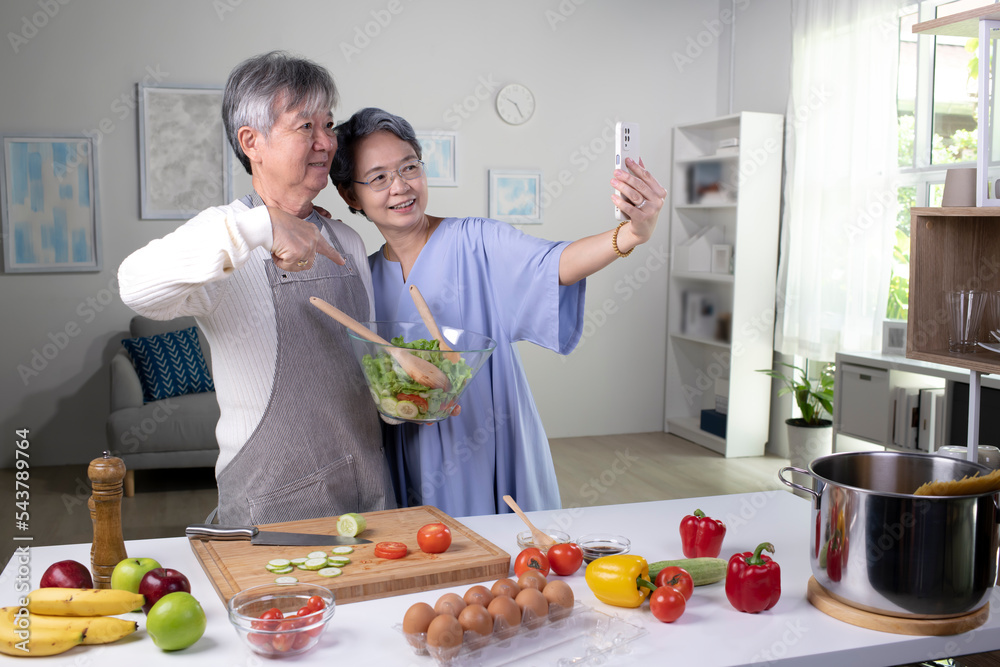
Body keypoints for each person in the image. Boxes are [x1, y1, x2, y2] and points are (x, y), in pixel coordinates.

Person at [330, 107, 666, 517]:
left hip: (489, 438)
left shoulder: (477, 241)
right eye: (379, 177)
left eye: (409, 168)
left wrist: (631, 233)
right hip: (407, 447)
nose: (400, 187)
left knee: (510, 561)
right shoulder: (365, 275)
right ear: (351, 195)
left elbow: (555, 264)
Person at [118, 53, 396, 524]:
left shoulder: (347, 239)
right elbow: (135, 285)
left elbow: (361, 362)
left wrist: (401, 403)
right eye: (305, 126)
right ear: (253, 141)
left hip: (367, 493)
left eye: (328, 124)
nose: (326, 142)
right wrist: (259, 228)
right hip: (271, 505)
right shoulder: (226, 233)